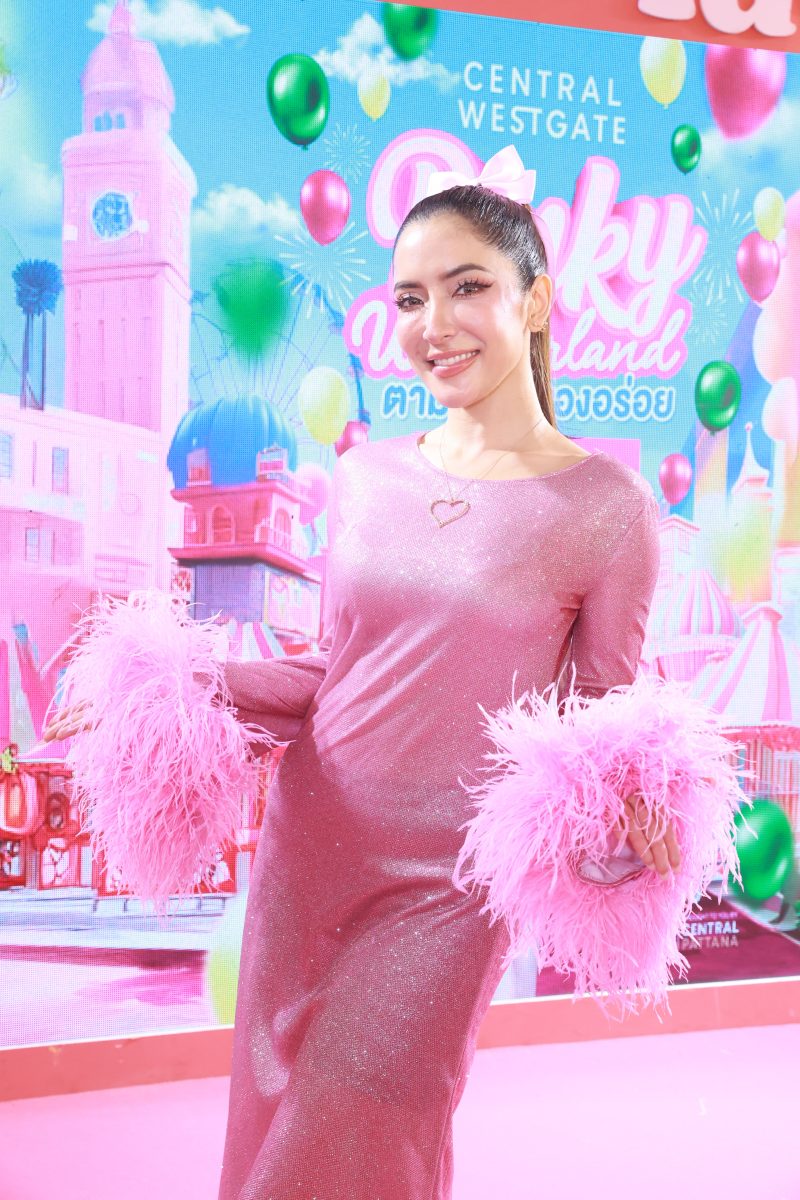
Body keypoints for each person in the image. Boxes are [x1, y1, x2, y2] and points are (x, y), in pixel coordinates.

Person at [44, 146, 679, 1199]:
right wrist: (170, 687)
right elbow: (337, 673)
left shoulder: (606, 509)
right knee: (274, 1125)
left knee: (361, 1131)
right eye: (411, 298)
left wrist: (638, 816)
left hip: (448, 889)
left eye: (466, 287)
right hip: (309, 858)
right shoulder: (366, 476)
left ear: (533, 301)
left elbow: (598, 726)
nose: (434, 324)